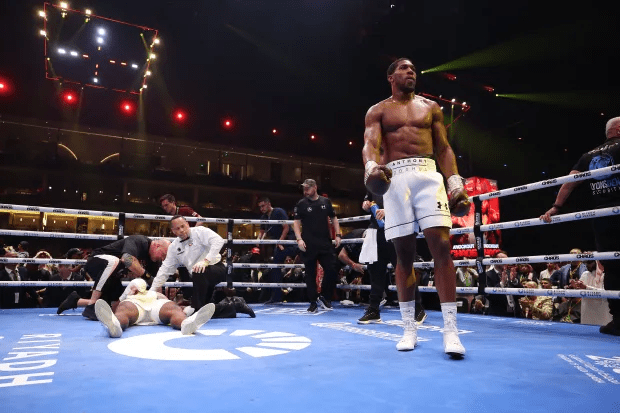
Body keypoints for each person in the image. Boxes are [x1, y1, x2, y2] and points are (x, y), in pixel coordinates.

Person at [361, 58, 470, 356]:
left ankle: (451, 331)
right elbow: (370, 144)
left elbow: (444, 148)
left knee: (442, 246)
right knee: (404, 254)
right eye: (405, 69)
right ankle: (409, 327)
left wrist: (455, 183)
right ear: (390, 76)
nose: (412, 72)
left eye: (414, 69)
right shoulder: (379, 110)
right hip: (395, 177)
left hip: (427, 174)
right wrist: (371, 167)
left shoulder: (430, 107)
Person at [540, 116, 620, 335]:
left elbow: (569, 182)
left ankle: (618, 320)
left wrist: (556, 207)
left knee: (612, 267)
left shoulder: (589, 155)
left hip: (603, 218)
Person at [57, 236, 171, 320]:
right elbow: (126, 259)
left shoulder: (154, 261)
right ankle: (92, 304)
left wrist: (161, 305)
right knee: (114, 261)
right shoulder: (140, 241)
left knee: (115, 309)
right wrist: (146, 276)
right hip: (97, 262)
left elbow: (156, 285)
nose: (163, 258)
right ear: (157, 245)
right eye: (164, 254)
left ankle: (76, 301)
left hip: (113, 277)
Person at [357, 194, 426, 324]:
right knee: (376, 273)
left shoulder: (399, 180)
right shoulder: (373, 183)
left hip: (397, 232)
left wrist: (388, 211)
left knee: (405, 272)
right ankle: (373, 310)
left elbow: (410, 205)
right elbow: (368, 201)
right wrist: (365, 205)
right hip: (377, 233)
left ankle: (418, 309)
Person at [150, 215, 227, 312]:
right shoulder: (174, 247)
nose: (181, 230)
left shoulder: (200, 231)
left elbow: (218, 240)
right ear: (173, 231)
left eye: (183, 226)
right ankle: (235, 305)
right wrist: (152, 291)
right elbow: (165, 269)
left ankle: (195, 308)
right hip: (198, 279)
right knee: (206, 309)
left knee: (198, 271)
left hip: (216, 269)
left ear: (187, 224)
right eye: (177, 228)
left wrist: (206, 261)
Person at [94, 278, 216, 338]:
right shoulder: (127, 298)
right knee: (124, 309)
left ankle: (186, 323)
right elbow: (117, 307)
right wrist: (127, 295)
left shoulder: (154, 293)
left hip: (156, 306)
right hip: (136, 307)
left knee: (172, 307)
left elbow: (169, 302)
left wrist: (181, 310)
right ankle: (115, 325)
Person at [292, 179, 341, 313]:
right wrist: (299, 239)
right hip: (308, 244)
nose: (305, 191)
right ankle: (313, 302)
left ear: (315, 188)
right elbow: (296, 223)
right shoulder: (301, 204)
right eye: (304, 188)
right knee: (310, 274)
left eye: (307, 188)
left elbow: (334, 218)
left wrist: (338, 234)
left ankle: (324, 296)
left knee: (332, 268)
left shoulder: (326, 202)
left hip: (325, 242)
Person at [257, 197, 297, 303]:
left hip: (289, 241)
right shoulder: (264, 217)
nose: (261, 208)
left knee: (278, 265)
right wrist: (258, 240)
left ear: (269, 204)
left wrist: (281, 241)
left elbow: (286, 227)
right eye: (260, 207)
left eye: (263, 206)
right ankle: (276, 297)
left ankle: (277, 297)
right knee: (275, 268)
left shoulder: (279, 211)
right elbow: (261, 231)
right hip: (279, 245)